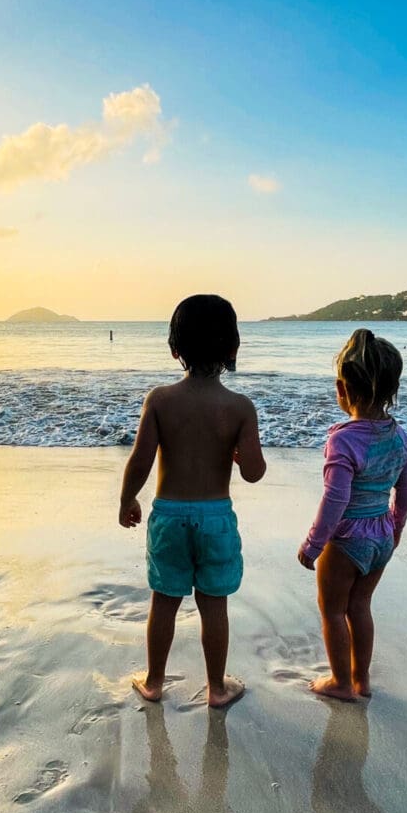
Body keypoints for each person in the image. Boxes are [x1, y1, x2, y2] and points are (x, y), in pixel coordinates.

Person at [120, 294, 266, 709]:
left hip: (168, 515)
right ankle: (217, 688)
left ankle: (153, 682)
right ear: (233, 348)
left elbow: (140, 460)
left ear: (175, 348)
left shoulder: (161, 400)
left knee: (164, 602)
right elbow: (254, 472)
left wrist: (127, 499)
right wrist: (240, 455)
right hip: (215, 518)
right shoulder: (239, 407)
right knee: (213, 604)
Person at [298, 329, 407, 701]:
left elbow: (336, 498)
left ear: (342, 388)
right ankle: (361, 679)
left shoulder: (344, 439)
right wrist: (395, 528)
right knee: (360, 606)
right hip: (381, 534)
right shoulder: (398, 435)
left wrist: (313, 545)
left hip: (348, 538)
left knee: (333, 611)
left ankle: (341, 683)